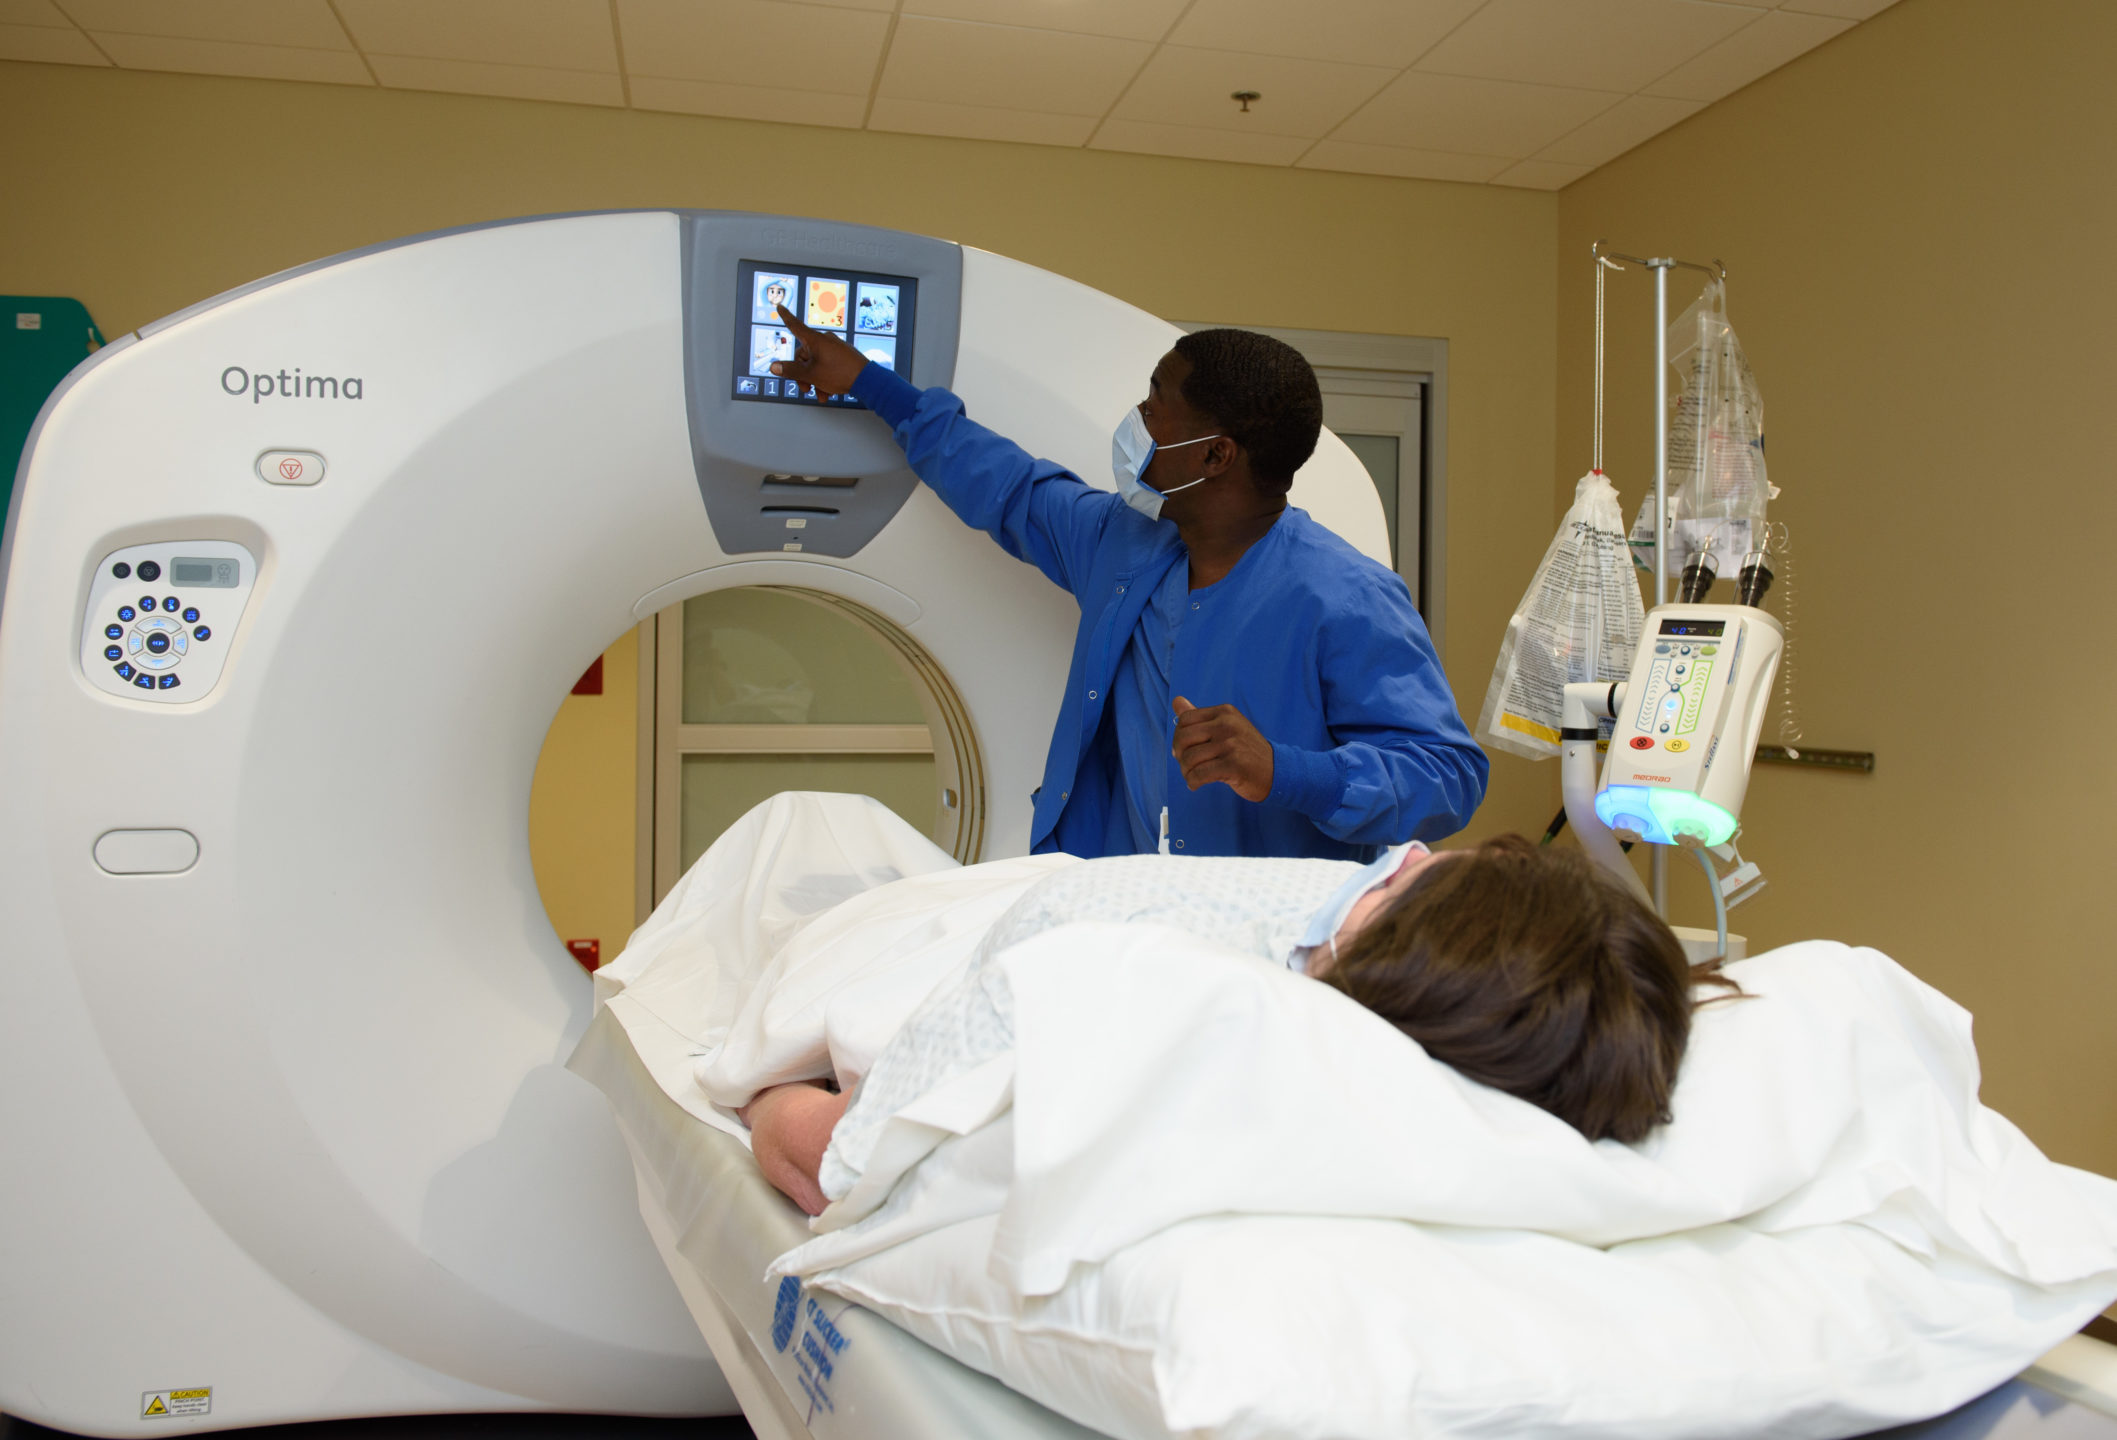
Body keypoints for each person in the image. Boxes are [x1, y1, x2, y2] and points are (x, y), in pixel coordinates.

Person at [769, 307, 1488, 862]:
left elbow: (1448, 776)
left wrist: (1285, 772)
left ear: (1214, 454)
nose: (1138, 418)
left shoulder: (1342, 595)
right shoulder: (1125, 545)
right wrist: (867, 382)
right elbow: (1010, 488)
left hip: (1266, 939)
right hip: (1117, 907)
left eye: (1155, 404)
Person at [742, 835, 1727, 1215]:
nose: (1412, 849)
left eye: (1421, 874)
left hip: (978, 921)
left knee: (789, 847)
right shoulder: (1382, 953)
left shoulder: (1093, 967)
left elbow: (833, 1167)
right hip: (1027, 889)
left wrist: (766, 1094)